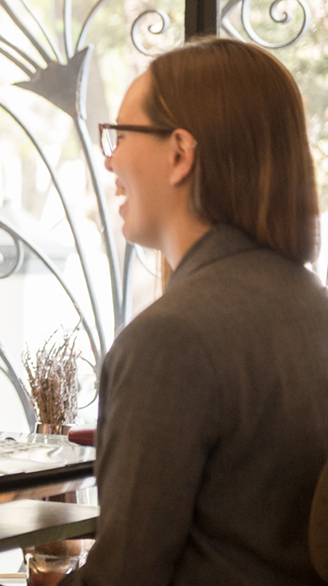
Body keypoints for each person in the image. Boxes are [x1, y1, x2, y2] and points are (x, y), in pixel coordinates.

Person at [55, 38, 328, 585]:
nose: (108, 159)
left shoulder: (169, 341)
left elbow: (124, 577)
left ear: (180, 154)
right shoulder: (313, 307)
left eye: (120, 134)